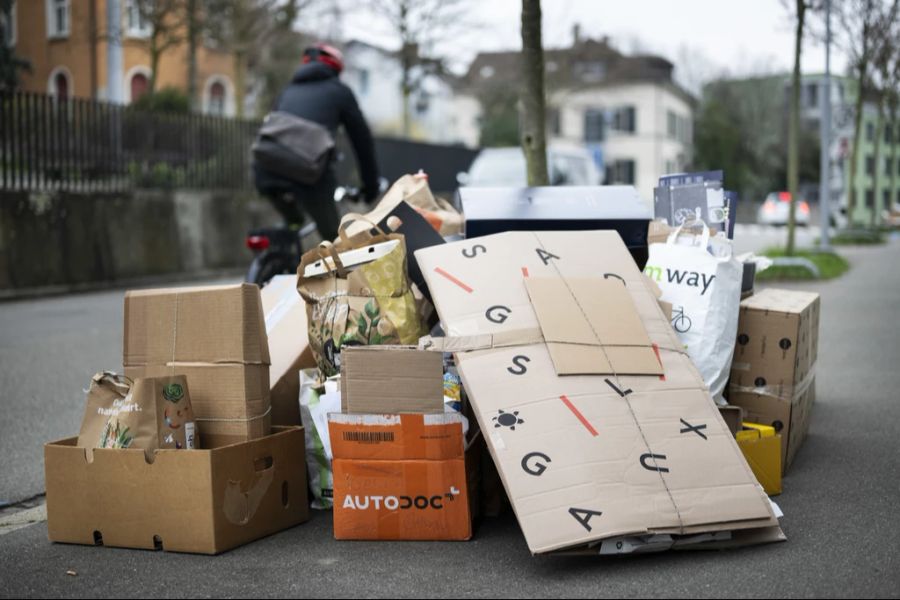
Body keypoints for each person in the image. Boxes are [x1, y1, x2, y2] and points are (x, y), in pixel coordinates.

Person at [254, 43, 380, 241]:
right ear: (336, 68)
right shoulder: (340, 92)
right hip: (309, 174)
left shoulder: (287, 91)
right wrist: (370, 187)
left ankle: (288, 237)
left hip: (265, 170)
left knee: (293, 222)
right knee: (336, 242)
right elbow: (361, 141)